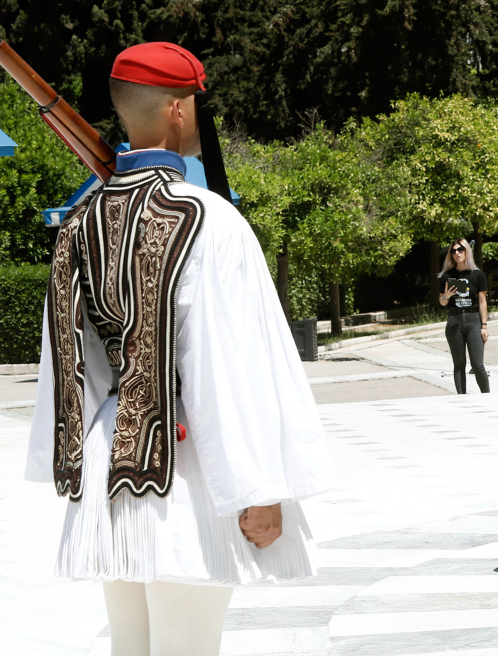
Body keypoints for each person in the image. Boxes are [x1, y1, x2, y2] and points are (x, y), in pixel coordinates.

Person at [25, 42, 335, 655]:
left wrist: (73, 464)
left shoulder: (78, 224)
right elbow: (227, 366)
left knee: (131, 645)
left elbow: (68, 368)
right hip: (185, 475)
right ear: (176, 110)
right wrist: (257, 487)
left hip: (108, 470)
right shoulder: (208, 220)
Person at [438, 238, 490, 394]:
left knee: (477, 364)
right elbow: (441, 303)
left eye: (460, 250)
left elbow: (482, 302)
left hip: (474, 320)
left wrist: (484, 326)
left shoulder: (478, 275)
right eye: (453, 251)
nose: (457, 253)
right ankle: (461, 398)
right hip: (454, 320)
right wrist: (446, 296)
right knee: (459, 364)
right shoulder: (447, 276)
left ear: (467, 251)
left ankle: (487, 397)